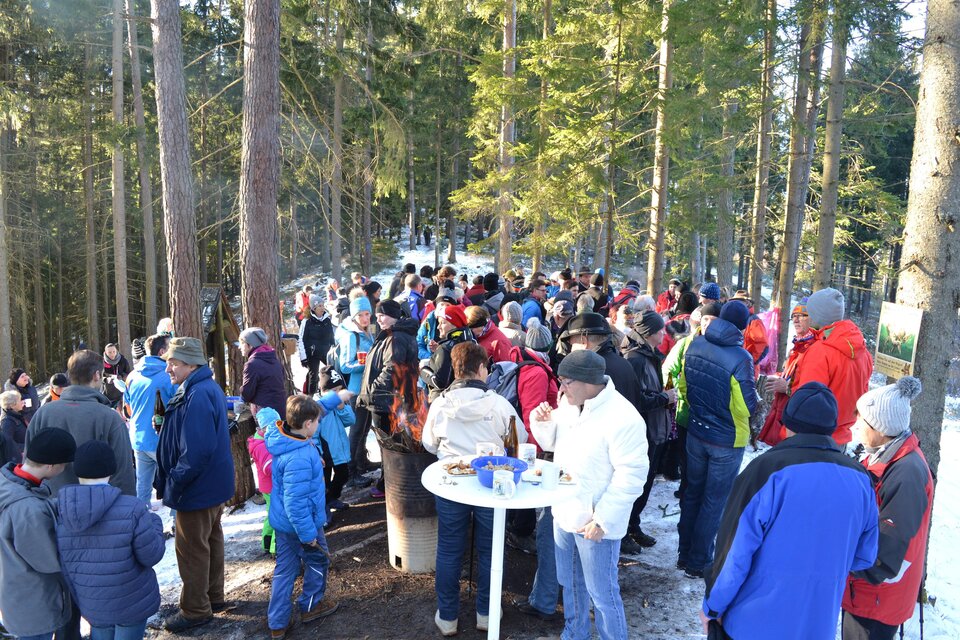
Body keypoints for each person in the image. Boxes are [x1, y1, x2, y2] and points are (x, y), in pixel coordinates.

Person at [702, 382, 879, 640]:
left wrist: (713, 605)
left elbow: (735, 553)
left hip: (753, 624)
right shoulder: (860, 480)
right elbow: (865, 556)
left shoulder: (766, 472)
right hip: (816, 625)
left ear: (788, 425)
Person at [530, 349, 647, 640]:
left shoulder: (623, 418)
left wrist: (603, 518)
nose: (560, 388)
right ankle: (574, 634)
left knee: (603, 595)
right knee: (569, 584)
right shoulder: (569, 404)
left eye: (566, 382)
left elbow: (632, 476)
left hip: (596, 523)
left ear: (587, 381)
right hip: (565, 511)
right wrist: (543, 422)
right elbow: (551, 443)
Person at [421, 342, 525, 636]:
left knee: (449, 550)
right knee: (491, 549)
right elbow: (519, 439)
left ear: (455, 369)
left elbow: (429, 444)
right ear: (481, 369)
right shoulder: (500, 404)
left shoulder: (441, 404)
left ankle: (448, 615)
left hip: (451, 485)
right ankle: (486, 612)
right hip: (491, 484)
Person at [842, 377, 933, 640]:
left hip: (876, 597)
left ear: (882, 428)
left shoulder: (906, 474)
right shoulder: (883, 454)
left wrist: (841, 561)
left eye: (865, 422)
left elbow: (887, 553)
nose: (859, 426)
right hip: (865, 592)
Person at [156, 337, 235, 632]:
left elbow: (197, 450)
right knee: (210, 540)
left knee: (192, 549)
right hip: (210, 485)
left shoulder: (198, 393)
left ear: (191, 364)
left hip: (197, 487)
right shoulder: (200, 387)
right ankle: (212, 597)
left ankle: (195, 609)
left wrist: (176, 480)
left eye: (173, 363)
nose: (168, 369)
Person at [676, 300, 757, 579]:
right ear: (743, 327)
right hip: (726, 439)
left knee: (693, 492)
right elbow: (745, 407)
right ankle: (698, 561)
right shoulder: (741, 358)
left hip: (697, 431)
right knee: (714, 500)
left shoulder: (695, 344)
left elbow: (684, 386)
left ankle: (683, 552)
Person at [56, 440, 165, 640]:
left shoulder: (61, 512)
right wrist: (155, 523)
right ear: (110, 469)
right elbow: (152, 554)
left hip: (92, 603)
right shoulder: (132, 508)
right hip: (131, 603)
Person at [266, 395, 339, 639]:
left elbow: (316, 411)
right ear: (308, 424)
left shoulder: (288, 438)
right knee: (318, 561)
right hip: (303, 525)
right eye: (317, 421)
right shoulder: (299, 457)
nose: (318, 424)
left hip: (284, 525)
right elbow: (295, 504)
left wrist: (337, 397)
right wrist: (308, 535)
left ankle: (277, 622)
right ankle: (311, 606)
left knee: (285, 570)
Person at [0, 428, 80, 640]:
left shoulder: (7, 480)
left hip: (13, 592)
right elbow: (49, 560)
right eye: (63, 464)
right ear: (51, 466)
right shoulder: (28, 510)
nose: (64, 469)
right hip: (34, 605)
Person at [25, 350, 136, 497]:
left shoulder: (43, 414)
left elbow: (28, 465)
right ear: (97, 375)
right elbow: (123, 474)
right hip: (99, 509)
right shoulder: (110, 418)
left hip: (51, 509)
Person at [622, 310, 678, 550]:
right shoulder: (634, 358)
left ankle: (633, 525)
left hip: (654, 428)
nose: (663, 333)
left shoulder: (649, 354)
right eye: (659, 330)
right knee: (636, 484)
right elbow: (636, 399)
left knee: (645, 484)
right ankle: (624, 530)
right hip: (642, 431)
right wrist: (664, 398)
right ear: (648, 333)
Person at [792, 287, 873, 446]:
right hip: (842, 437)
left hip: (813, 438)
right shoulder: (863, 351)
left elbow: (807, 401)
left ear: (818, 315)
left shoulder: (820, 351)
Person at [355, 299, 419, 494]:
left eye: (383, 314)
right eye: (378, 314)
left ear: (394, 316)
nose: (378, 318)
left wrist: (372, 391)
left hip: (387, 401)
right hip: (387, 400)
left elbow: (392, 369)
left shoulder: (396, 337)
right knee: (391, 445)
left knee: (390, 445)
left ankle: (389, 484)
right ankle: (389, 481)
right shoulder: (392, 335)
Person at [662, 303, 719, 500]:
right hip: (686, 411)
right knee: (686, 455)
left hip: (713, 415)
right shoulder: (685, 343)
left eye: (713, 321)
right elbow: (669, 370)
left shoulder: (724, 347)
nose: (708, 324)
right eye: (705, 320)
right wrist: (674, 390)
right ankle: (687, 488)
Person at [124, 334, 177, 507]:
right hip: (162, 440)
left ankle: (141, 520)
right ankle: (177, 524)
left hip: (139, 438)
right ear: (162, 351)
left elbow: (128, 407)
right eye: (170, 347)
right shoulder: (169, 376)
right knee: (173, 482)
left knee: (143, 485)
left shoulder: (132, 375)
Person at [758, 298, 814, 446]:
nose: (796, 320)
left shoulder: (814, 349)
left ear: (813, 318)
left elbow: (814, 390)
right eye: (794, 316)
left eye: (802, 315)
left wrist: (787, 387)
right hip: (785, 415)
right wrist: (780, 377)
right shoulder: (797, 345)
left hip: (798, 423)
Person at [560, 312, 640, 408]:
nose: (571, 350)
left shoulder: (589, 372)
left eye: (572, 344)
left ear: (583, 341)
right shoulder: (624, 363)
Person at [315, 372, 356, 512]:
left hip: (339, 450)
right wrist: (317, 452)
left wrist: (343, 408)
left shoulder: (338, 406)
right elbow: (313, 434)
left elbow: (351, 421)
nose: (338, 394)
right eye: (334, 391)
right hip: (325, 453)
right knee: (323, 483)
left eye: (340, 390)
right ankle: (324, 508)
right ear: (323, 390)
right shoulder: (316, 408)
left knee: (343, 475)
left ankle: (332, 498)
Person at [420, 304, 476, 400]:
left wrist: (422, 370)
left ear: (454, 324)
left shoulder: (445, 348)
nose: (438, 327)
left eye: (443, 323)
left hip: (445, 401)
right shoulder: (472, 342)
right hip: (470, 396)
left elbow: (439, 382)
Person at [249, 408, 279, 555]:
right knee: (278, 517)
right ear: (264, 428)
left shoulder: (263, 440)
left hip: (269, 486)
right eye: (274, 425)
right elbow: (270, 467)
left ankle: (266, 542)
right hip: (271, 487)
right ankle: (276, 548)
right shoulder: (261, 446)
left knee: (271, 515)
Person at [240, 327, 288, 418]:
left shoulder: (252, 364)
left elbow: (247, 394)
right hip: (281, 410)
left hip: (265, 415)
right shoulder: (274, 359)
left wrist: (241, 393)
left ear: (250, 345)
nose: (239, 347)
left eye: (242, 343)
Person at [336, 295, 376, 397]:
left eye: (367, 314)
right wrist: (370, 363)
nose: (365, 318)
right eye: (360, 315)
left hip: (370, 386)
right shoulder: (350, 336)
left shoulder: (369, 328)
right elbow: (345, 366)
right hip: (357, 391)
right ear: (354, 316)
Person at [298, 294, 336, 395]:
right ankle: (311, 397)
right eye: (319, 306)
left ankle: (332, 392)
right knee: (313, 376)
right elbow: (301, 339)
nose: (322, 307)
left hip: (326, 351)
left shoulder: (327, 319)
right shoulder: (307, 321)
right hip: (312, 353)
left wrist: (334, 346)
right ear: (314, 308)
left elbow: (331, 335)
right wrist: (303, 357)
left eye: (323, 305)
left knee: (333, 371)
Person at [0, 390, 28, 462]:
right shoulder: (7, 421)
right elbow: (8, 443)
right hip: (21, 457)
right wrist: (26, 447)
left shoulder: (16, 414)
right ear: (12, 405)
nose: (23, 402)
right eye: (20, 400)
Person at [102, 344, 132, 408]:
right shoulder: (102, 362)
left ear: (117, 351)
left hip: (122, 394)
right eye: (109, 352)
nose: (112, 354)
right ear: (105, 353)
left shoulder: (123, 360)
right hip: (108, 395)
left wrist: (122, 376)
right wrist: (106, 379)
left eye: (114, 351)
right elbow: (99, 377)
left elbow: (129, 375)